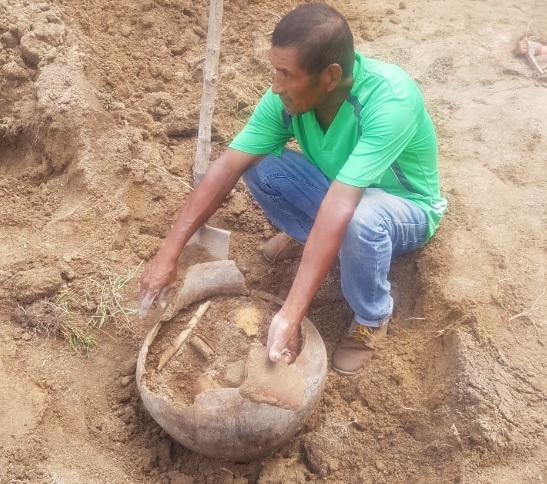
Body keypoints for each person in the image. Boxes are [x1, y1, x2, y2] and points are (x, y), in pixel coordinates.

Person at [139, 3, 447, 376]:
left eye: (286, 74)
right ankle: (314, 239)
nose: (275, 86)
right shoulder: (285, 101)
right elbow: (227, 166)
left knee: (360, 220)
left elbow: (341, 207)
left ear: (330, 76)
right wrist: (168, 253)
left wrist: (291, 313)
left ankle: (372, 315)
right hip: (343, 192)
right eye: (275, 71)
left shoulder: (389, 101)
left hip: (404, 209)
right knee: (259, 161)